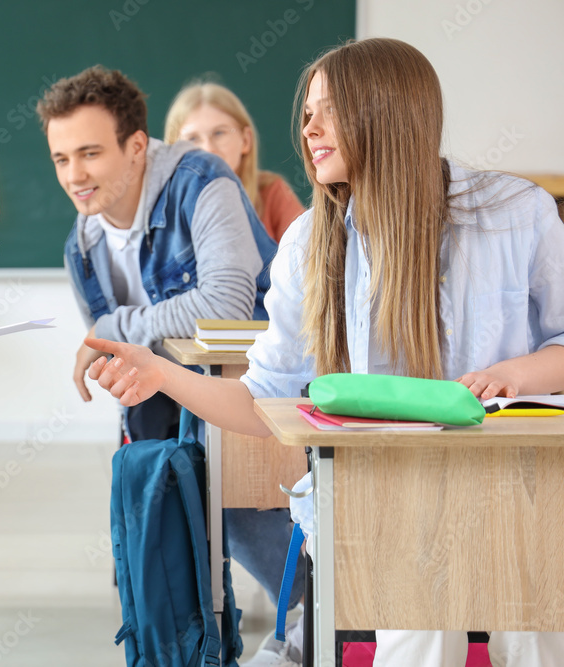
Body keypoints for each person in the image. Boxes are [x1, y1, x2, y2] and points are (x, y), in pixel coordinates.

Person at [86, 38, 564, 667]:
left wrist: (512, 373)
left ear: (389, 111)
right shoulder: (312, 240)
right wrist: (161, 373)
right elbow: (263, 402)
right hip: (392, 501)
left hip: (519, 493)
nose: (308, 128)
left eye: (329, 110)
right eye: (306, 111)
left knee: (534, 638)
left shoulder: (514, 212)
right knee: (415, 644)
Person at [36, 65, 301, 657]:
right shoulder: (81, 244)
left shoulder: (200, 179)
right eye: (60, 159)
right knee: (165, 516)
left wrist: (115, 326)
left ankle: (338, 622)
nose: (75, 176)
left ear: (136, 145)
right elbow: (116, 356)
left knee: (246, 521)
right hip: (168, 411)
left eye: (90, 153)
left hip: (260, 395)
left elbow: (228, 307)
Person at [164, 81, 306, 243]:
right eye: (193, 138)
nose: (208, 149)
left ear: (245, 140)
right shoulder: (162, 212)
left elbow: (308, 260)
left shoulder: (272, 193)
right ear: (174, 152)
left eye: (219, 133)